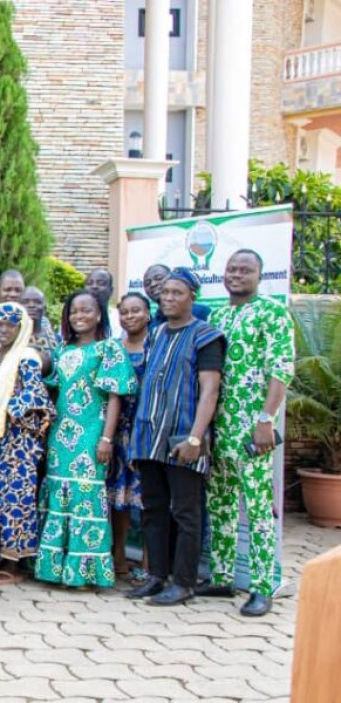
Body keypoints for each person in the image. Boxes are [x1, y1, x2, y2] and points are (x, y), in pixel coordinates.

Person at [202, 250, 295, 617]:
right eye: (231, 269)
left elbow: (282, 367)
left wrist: (266, 418)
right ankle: (222, 577)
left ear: (260, 275)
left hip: (252, 428)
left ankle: (262, 586)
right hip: (220, 427)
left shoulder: (272, 313)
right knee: (220, 503)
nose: (237, 275)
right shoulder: (219, 315)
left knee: (256, 507)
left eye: (246, 270)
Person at [127, 268, 223, 607]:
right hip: (149, 436)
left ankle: (183, 582)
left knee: (186, 512)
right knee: (153, 509)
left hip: (183, 437)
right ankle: (157, 576)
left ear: (192, 297)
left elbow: (210, 390)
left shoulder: (206, 336)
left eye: (177, 293)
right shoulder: (156, 333)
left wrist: (196, 439)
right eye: (165, 292)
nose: (168, 298)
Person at [35, 291, 136, 589]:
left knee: (85, 498)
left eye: (86, 311)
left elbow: (116, 395)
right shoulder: (62, 351)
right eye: (74, 312)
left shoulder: (109, 349)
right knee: (58, 496)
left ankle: (84, 572)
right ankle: (55, 570)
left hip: (92, 433)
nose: (79, 316)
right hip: (60, 436)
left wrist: (107, 438)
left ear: (100, 314)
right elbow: (52, 389)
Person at [0, 302, 55, 583]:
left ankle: (14, 563)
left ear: (21, 328)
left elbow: (38, 397)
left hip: (17, 443)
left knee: (15, 498)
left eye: (10, 325)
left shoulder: (26, 357)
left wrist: (2, 408)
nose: (3, 330)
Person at [109, 293, 151, 580]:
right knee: (117, 498)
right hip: (118, 430)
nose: (129, 316)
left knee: (149, 498)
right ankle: (119, 557)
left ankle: (149, 564)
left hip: (147, 431)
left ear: (148, 314)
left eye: (136, 311)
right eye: (124, 312)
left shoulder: (157, 346)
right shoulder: (114, 348)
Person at [143, 264, 211, 326]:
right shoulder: (152, 324)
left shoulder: (200, 312)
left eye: (159, 278)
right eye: (147, 283)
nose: (153, 284)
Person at [85, 268, 123, 338]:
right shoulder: (76, 317)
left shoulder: (120, 318)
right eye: (89, 283)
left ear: (111, 290)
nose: (94, 287)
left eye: (100, 283)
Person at [21, 287, 59, 352]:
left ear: (44, 308)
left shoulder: (56, 339)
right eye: (25, 302)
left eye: (37, 302)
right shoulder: (12, 338)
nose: (31, 305)